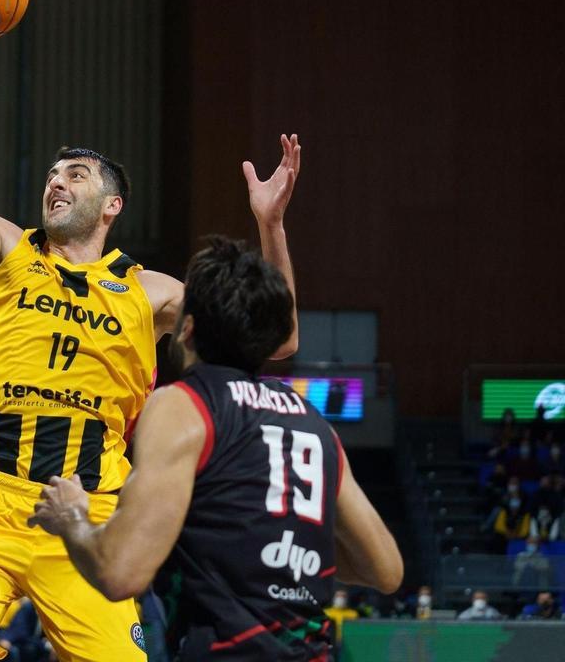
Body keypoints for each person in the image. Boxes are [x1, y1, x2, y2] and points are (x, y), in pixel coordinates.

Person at [0, 0, 303, 662]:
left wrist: (271, 225)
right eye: (51, 174)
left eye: (74, 175)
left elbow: (278, 339)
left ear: (111, 205)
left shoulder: (150, 293)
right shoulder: (3, 249)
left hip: (88, 516)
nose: (56, 183)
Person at [29, 238, 401, 660]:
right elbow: (385, 570)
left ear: (186, 328)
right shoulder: (312, 423)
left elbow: (120, 573)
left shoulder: (183, 405)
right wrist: (273, 555)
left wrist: (72, 518)